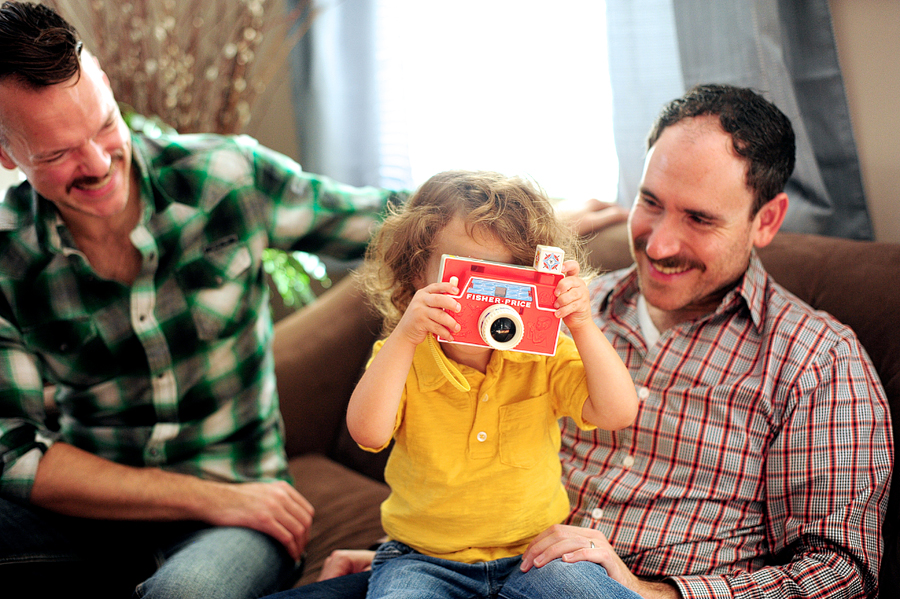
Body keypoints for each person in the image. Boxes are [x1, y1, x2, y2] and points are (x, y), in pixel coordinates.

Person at [264, 85, 893, 599]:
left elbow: (840, 573)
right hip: (454, 562)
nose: (660, 242)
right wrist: (405, 556)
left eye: (700, 218)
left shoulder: (817, 361)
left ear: (767, 221)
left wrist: (656, 593)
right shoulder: (552, 301)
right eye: (651, 202)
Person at [0, 2, 408, 597]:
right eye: (56, 154)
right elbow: (14, 454)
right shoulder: (7, 257)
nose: (97, 164)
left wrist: (521, 216)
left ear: (108, 90)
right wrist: (208, 496)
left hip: (238, 516)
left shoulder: (226, 176)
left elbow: (391, 222)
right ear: (7, 155)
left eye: (104, 126)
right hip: (98, 512)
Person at [346, 170, 639, 599]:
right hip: (423, 559)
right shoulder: (401, 355)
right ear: (416, 276)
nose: (493, 298)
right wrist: (406, 336)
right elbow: (367, 432)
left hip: (536, 554)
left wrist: (581, 324)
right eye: (471, 277)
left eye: (513, 278)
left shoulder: (545, 354)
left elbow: (617, 412)